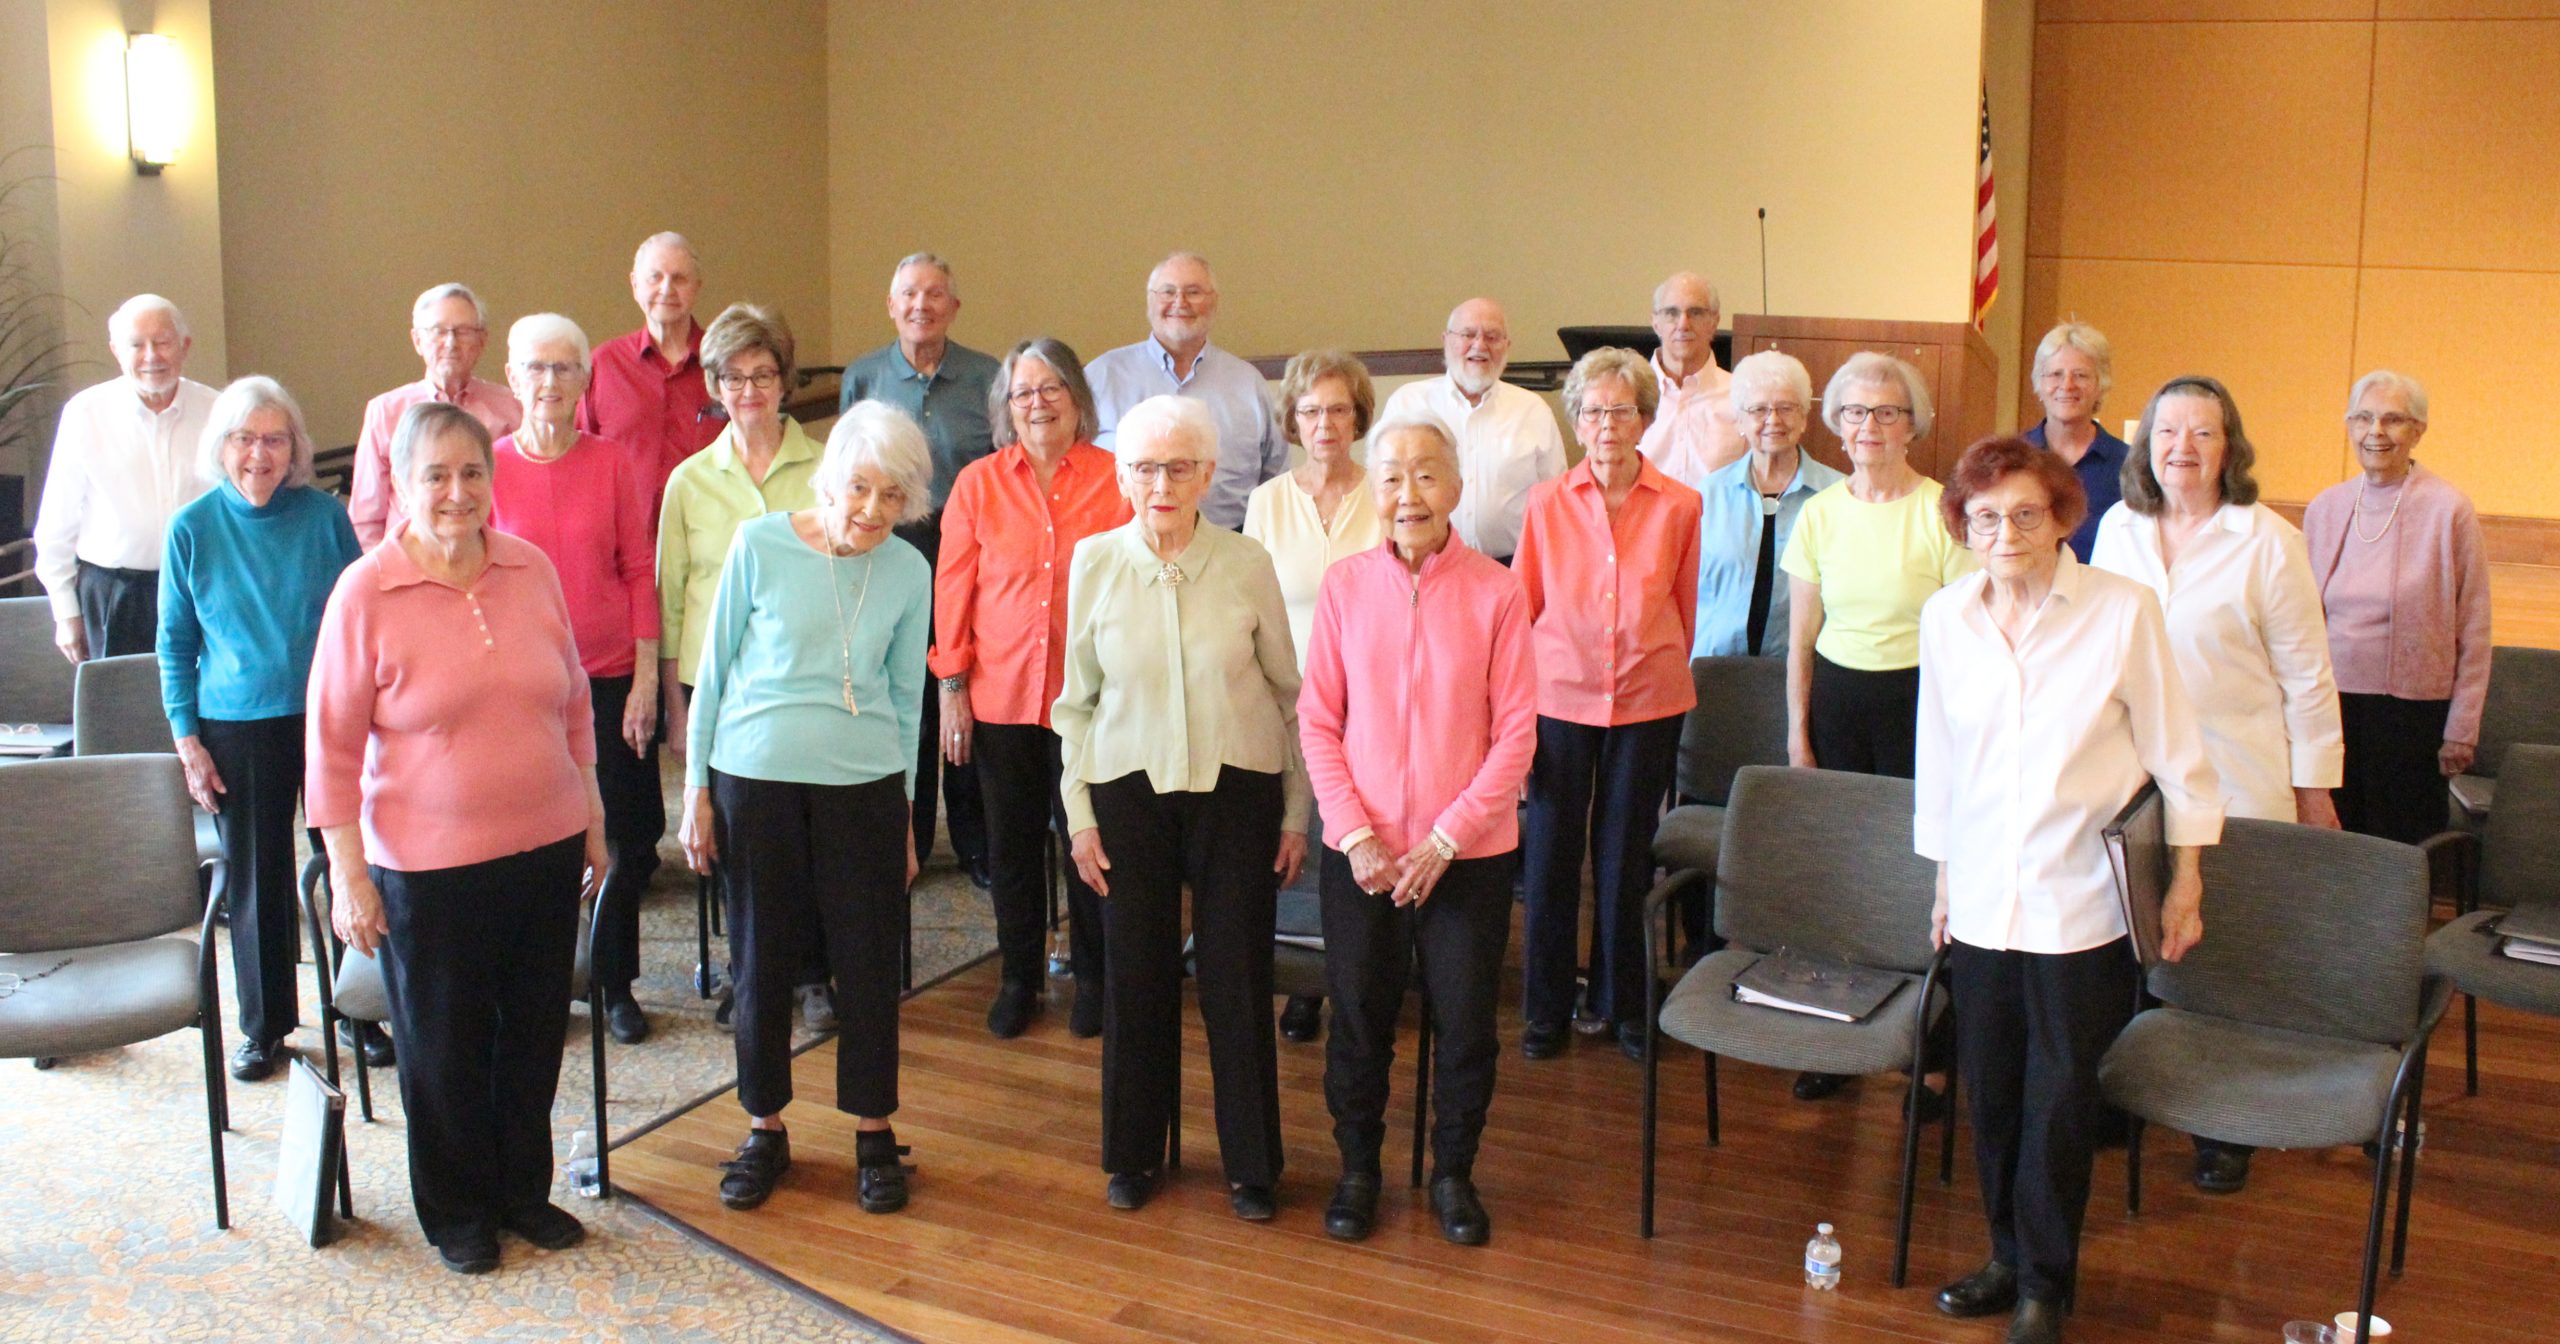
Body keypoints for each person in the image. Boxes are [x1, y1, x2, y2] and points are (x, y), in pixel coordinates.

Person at [1917, 436, 2222, 1344]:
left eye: (2023, 513)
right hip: (1977, 896)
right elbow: (1940, 760)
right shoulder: (1946, 617)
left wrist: (2188, 880)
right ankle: (2005, 1255)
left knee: (2059, 1097)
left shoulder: (2121, 612)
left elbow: (2179, 755)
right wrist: (1940, 880)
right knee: (1993, 1088)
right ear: (1963, 528)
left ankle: (2047, 1284)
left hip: (2078, 898)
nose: (2004, 532)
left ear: (2059, 519)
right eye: (1984, 517)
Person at [307, 401, 608, 1275]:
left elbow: (575, 703)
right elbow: (328, 748)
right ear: (401, 485)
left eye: (472, 472)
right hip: (427, 869)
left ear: (493, 477)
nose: (456, 491)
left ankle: (522, 1190)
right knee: (443, 1047)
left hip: (546, 844)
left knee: (531, 1034)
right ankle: (457, 1209)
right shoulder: (365, 591)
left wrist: (590, 819)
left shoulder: (531, 568)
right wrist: (349, 874)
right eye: (434, 475)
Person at [1054, 395, 1310, 1221]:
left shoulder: (1246, 563)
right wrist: (1080, 814)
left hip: (1238, 790)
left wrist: (1296, 812)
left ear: (1207, 474)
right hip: (1126, 790)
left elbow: (1288, 693)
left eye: (1178, 467)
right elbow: (1075, 705)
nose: (1160, 484)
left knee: (1237, 975)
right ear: (1122, 474)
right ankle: (1133, 1155)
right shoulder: (1093, 561)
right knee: (1135, 974)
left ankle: (1251, 1166)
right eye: (1144, 467)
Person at [676, 402, 934, 1218]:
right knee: (760, 962)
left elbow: (906, 698)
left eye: (891, 497)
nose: (869, 511)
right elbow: (712, 674)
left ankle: (872, 1131)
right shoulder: (760, 544)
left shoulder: (907, 570)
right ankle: (765, 1127)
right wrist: (695, 791)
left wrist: (904, 815)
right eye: (858, 487)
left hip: (864, 787)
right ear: (830, 476)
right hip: (754, 779)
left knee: (867, 964)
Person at [2092, 375, 2344, 1197]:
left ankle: (2220, 1123)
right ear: (2146, 445)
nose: (2183, 448)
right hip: (2133, 769)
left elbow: (2307, 675)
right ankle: (2127, 1092)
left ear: (2229, 447)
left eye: (2203, 433)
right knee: (2133, 936)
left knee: (2220, 957)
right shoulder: (2118, 529)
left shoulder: (2267, 539)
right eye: (2168, 432)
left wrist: (2314, 787)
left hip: (2239, 773)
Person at [1299, 416, 1535, 1247]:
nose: (1409, 494)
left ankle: (1452, 1175)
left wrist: (1444, 838)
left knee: (1467, 1024)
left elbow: (1516, 736)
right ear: (1375, 489)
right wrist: (1356, 832)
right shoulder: (1344, 587)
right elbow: (1318, 722)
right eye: (1393, 476)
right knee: (1359, 1018)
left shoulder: (1497, 591)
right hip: (1359, 854)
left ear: (1457, 489)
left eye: (1427, 476)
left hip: (1465, 856)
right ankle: (1358, 1169)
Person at [158, 376, 362, 1082]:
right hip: (235, 726)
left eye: (275, 439)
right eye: (244, 438)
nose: (259, 454)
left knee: (348, 866)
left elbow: (359, 623)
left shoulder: (324, 519)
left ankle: (359, 1010)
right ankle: (266, 1027)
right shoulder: (191, 528)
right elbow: (175, 643)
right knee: (256, 881)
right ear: (221, 446)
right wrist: (187, 741)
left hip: (326, 716)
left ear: (295, 448)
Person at [933, 338, 1129, 1040]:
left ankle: (1095, 976)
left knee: (1091, 844)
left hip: (1095, 700)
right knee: (1012, 850)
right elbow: (952, 589)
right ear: (1005, 407)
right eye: (1023, 392)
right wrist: (951, 686)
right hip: (1001, 700)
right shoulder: (978, 484)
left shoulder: (1118, 480)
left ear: (1077, 398)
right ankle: (1019, 978)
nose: (1037, 403)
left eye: (1051, 389)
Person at [1513, 349, 1701, 1063]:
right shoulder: (1545, 503)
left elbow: (1682, 609)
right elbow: (1526, 606)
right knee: (1553, 853)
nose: (1607, 424)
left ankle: (1624, 1006)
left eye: (1621, 410)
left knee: (1625, 857)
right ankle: (1546, 1010)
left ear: (1645, 418)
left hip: (1649, 697)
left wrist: (1649, 662)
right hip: (1558, 696)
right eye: (1593, 410)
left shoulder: (1682, 504)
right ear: (1577, 420)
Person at [655, 302, 831, 1032]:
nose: (749, 388)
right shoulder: (690, 482)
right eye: (734, 375)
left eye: (763, 373)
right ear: (715, 384)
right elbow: (670, 599)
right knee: (734, 835)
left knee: (809, 829)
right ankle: (752, 972)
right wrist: (673, 702)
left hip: (803, 681)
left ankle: (816, 974)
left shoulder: (828, 471)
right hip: (716, 685)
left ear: (785, 381)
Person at [490, 314, 664, 1045]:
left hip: (611, 678)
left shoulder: (613, 461)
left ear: (585, 382)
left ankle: (613, 981)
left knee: (620, 836)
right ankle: (542, 984)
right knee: (531, 841)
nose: (550, 383)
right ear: (512, 377)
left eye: (565, 369)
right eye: (536, 367)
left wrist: (648, 678)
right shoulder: (489, 465)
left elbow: (637, 570)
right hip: (518, 688)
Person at [839, 252, 996, 891]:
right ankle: (910, 832)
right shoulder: (864, 376)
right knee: (905, 686)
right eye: (909, 294)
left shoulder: (987, 376)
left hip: (972, 556)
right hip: (891, 552)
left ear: (954, 307)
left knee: (964, 691)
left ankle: (975, 841)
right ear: (891, 304)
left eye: (935, 294)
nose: (921, 305)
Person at [1245, 349, 1383, 1046]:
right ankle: (1306, 978)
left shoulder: (1386, 492)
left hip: (1373, 706)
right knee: (1295, 842)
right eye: (1310, 411)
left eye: (1337, 409)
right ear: (1292, 421)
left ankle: (1360, 978)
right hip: (1289, 700)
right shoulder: (1267, 502)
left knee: (1355, 840)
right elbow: (1250, 606)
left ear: (1358, 415)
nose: (1325, 423)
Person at [2302, 370, 2492, 846]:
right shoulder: (2324, 509)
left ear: (2418, 430)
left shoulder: (2449, 510)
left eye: (2392, 420)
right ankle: (2335, 924)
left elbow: (2475, 627)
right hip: (2330, 707)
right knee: (2335, 838)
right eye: (2363, 418)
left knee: (2399, 845)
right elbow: (2298, 622)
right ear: (2348, 425)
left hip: (2411, 715)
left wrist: (2462, 729)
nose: (2376, 432)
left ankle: (2398, 923)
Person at [1782, 352, 1974, 779]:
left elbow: (1965, 642)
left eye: (1886, 412)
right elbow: (1800, 643)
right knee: (1837, 832)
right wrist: (1798, 737)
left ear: (1911, 425)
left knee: (1900, 838)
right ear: (1839, 424)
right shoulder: (1817, 513)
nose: (1868, 426)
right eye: (1855, 411)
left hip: (1916, 700)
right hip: (1834, 702)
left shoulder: (1945, 512)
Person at [34, 294, 217, 662]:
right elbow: (56, 523)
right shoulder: (85, 413)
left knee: (201, 712)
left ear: (185, 346)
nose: (151, 356)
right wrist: (65, 612)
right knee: (121, 712)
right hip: (114, 594)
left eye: (163, 342)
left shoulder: (217, 410)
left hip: (200, 589)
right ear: (116, 351)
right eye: (137, 345)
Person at [1085, 251, 1288, 530]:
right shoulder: (1100, 377)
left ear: (1214, 302)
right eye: (1167, 292)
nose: (1180, 302)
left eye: (1193, 292)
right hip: (1124, 549)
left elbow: (1277, 479)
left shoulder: (1249, 384)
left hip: (1230, 549)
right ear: (1150, 301)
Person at [1376, 298, 1567, 563]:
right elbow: (1382, 485)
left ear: (1507, 346)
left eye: (1492, 336)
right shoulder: (1409, 403)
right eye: (1467, 334)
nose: (1479, 345)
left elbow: (1557, 505)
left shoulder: (1533, 411)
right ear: (1445, 340)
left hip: (1513, 567)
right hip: (1426, 565)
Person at [348, 283, 523, 548]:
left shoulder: (511, 407)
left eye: (463, 332)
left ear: (482, 341)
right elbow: (365, 520)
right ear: (417, 340)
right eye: (439, 331)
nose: (451, 343)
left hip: (490, 559)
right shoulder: (385, 412)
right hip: (409, 561)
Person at [1693, 350, 1843, 659]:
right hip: (1715, 669)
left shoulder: (1838, 495)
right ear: (1740, 420)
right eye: (1758, 409)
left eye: (1786, 408)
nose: (1773, 420)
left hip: (1804, 668)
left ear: (1803, 419)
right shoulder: (1709, 495)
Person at [578, 232, 723, 524]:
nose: (666, 289)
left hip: (708, 535)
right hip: (623, 541)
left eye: (679, 279)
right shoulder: (603, 365)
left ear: (697, 287)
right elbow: (581, 459)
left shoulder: (724, 363)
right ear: (635, 285)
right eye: (654, 277)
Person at [2021, 322, 2131, 562]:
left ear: (2100, 385)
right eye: (2055, 374)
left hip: (2104, 595)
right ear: (2039, 383)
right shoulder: (2011, 459)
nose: (2067, 385)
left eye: (2080, 375)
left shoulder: (2131, 466)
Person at [1638, 272, 1745, 483]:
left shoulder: (1742, 396)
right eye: (1671, 313)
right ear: (1655, 323)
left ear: (1714, 322)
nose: (1683, 324)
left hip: (1718, 516)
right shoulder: (1627, 395)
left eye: (1695, 312)